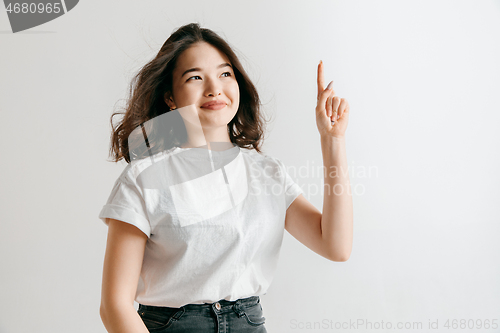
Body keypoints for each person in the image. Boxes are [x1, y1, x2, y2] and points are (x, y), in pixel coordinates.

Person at [98, 22, 353, 333]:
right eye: (195, 77)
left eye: (225, 74)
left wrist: (332, 140)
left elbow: (336, 246)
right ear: (170, 97)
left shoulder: (267, 173)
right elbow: (115, 306)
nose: (214, 88)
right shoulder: (143, 179)